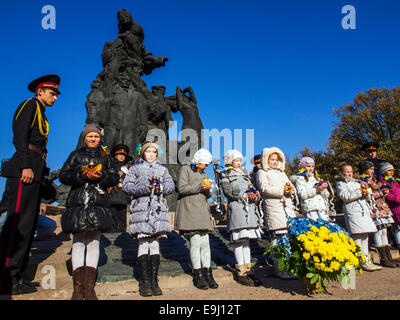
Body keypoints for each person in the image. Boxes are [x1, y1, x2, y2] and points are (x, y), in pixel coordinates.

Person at [0, 74, 60, 295]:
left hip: (35, 169)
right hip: (24, 169)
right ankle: (6, 277)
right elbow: (19, 137)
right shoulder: (29, 105)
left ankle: (16, 275)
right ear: (40, 91)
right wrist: (25, 164)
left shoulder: (42, 113)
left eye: (55, 94)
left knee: (28, 224)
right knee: (16, 225)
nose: (55, 98)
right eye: (52, 93)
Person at [59, 124, 119, 300]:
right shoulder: (76, 154)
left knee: (93, 242)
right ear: (84, 138)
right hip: (80, 200)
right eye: (90, 136)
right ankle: (78, 288)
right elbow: (64, 175)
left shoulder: (105, 156)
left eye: (96, 137)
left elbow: (114, 176)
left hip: (98, 202)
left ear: (100, 139)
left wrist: (102, 177)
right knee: (78, 242)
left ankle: (89, 287)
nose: (93, 139)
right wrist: (81, 175)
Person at [122, 141, 175, 297]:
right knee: (144, 242)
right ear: (143, 153)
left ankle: (154, 280)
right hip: (142, 210)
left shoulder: (163, 169)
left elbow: (171, 186)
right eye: (148, 151)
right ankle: (145, 281)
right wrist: (145, 188)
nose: (151, 154)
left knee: (155, 243)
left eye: (154, 152)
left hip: (158, 210)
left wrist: (161, 188)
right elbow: (127, 187)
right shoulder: (135, 168)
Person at [174, 148, 218, 290]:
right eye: (205, 163)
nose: (206, 167)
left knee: (205, 243)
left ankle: (208, 272)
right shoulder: (186, 170)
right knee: (195, 242)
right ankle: (197, 273)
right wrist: (200, 186)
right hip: (190, 210)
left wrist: (209, 189)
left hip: (202, 210)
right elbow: (181, 188)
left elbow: (207, 195)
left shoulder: (203, 173)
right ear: (198, 161)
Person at [220, 149, 263, 286]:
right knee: (239, 242)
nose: (239, 163)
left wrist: (254, 195)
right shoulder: (225, 175)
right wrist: (243, 195)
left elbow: (253, 188)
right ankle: (241, 272)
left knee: (247, 242)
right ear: (230, 162)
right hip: (238, 210)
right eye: (236, 161)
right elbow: (228, 192)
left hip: (249, 211)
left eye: (240, 160)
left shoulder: (246, 175)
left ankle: (249, 270)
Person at [256, 147, 297, 280]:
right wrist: (282, 191)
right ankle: (279, 268)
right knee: (277, 240)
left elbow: (291, 186)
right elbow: (264, 188)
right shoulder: (262, 172)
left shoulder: (282, 173)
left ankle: (290, 267)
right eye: (271, 159)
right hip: (274, 208)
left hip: (287, 209)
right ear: (266, 160)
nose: (274, 162)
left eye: (276, 159)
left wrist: (290, 190)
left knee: (288, 240)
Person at [335, 163, 381, 272]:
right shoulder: (341, 183)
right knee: (357, 236)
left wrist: (367, 192)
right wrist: (360, 192)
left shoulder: (357, 182)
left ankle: (366, 259)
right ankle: (358, 259)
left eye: (351, 171)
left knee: (365, 235)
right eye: (347, 171)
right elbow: (345, 196)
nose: (349, 173)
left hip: (363, 210)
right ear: (342, 173)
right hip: (353, 211)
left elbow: (366, 193)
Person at [358, 160, 397, 267]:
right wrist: (381, 192)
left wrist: (384, 192)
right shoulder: (363, 181)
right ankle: (383, 258)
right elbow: (368, 195)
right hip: (374, 208)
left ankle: (388, 257)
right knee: (378, 232)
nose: (372, 171)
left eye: (373, 169)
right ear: (365, 170)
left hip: (382, 207)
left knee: (384, 232)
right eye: (370, 169)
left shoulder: (374, 180)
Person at [294, 157, 331, 222]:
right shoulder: (300, 180)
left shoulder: (317, 178)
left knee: (326, 227)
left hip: (321, 208)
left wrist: (323, 188)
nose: (311, 168)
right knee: (314, 227)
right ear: (302, 168)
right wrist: (316, 189)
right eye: (308, 166)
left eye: (312, 166)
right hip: (310, 209)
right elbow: (302, 195)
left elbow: (326, 195)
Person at [377, 162, 400, 261]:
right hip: (394, 209)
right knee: (398, 231)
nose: (392, 172)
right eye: (389, 170)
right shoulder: (383, 183)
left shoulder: (394, 182)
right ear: (384, 171)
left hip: (398, 207)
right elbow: (388, 197)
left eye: (392, 170)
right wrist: (396, 198)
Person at [108, 144, 133, 232]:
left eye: (123, 155)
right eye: (119, 155)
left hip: (123, 196)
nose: (121, 157)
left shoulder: (129, 168)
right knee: (112, 218)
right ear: (115, 156)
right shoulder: (111, 166)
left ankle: (122, 235)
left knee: (122, 218)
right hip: (113, 195)